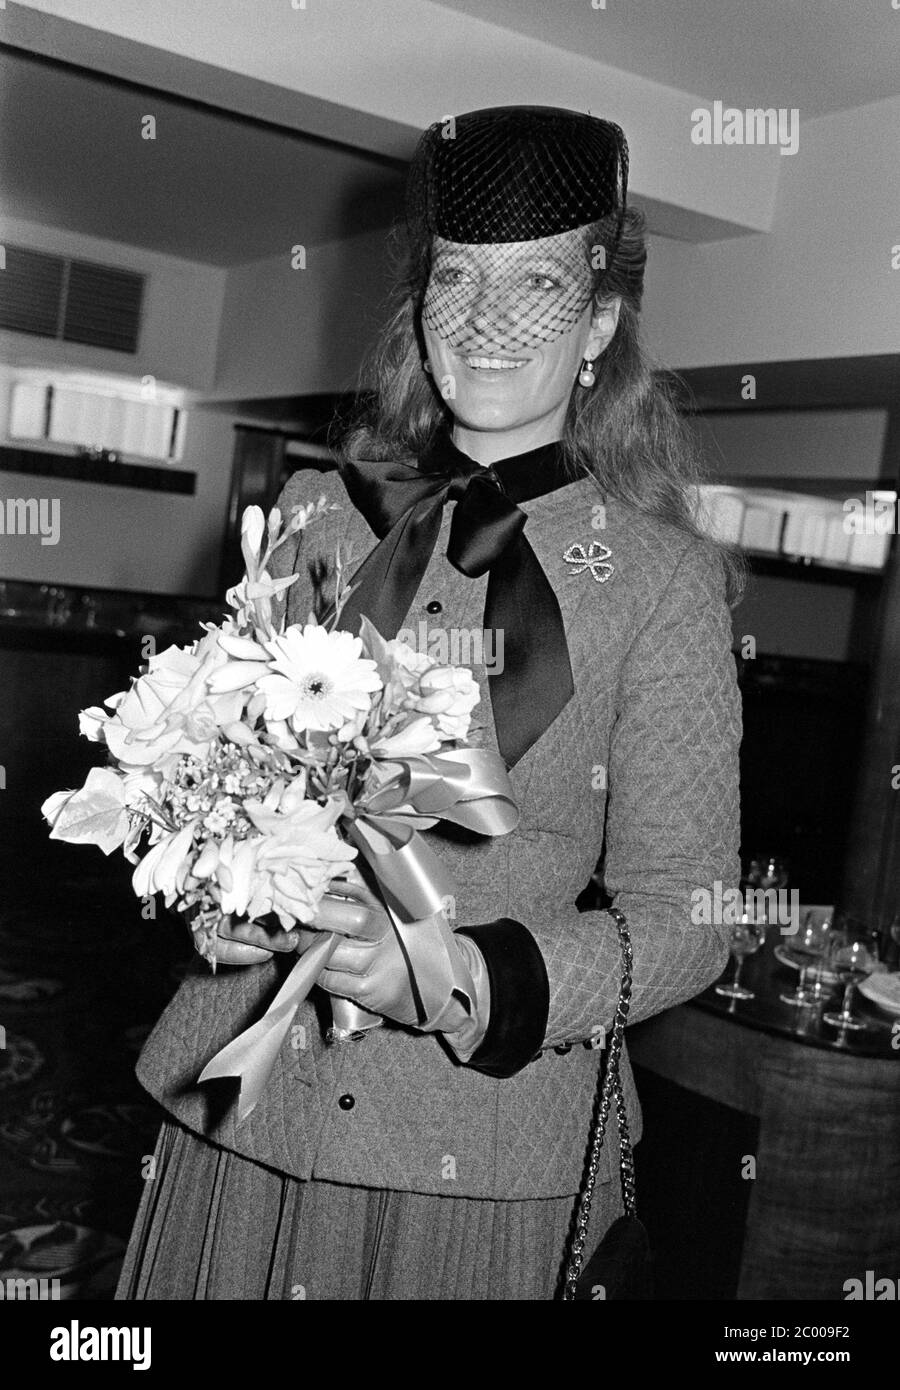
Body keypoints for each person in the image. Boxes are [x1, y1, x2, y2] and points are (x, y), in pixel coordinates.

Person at [116, 105, 742, 1301]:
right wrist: (223, 905)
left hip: (475, 1167)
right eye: (460, 279)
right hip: (243, 1115)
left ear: (602, 321)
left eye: (541, 287)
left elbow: (691, 917)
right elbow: (225, 798)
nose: (489, 320)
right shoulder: (314, 511)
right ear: (421, 302)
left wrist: (450, 978)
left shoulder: (662, 583)